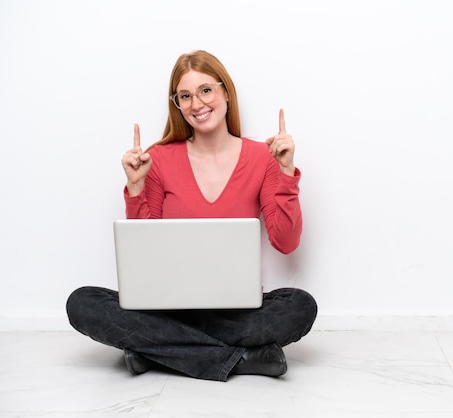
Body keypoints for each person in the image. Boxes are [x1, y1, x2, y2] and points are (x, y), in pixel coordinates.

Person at [66, 50, 317, 382]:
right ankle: (244, 358)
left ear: (225, 91)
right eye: (185, 96)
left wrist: (285, 172)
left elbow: (285, 242)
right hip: (168, 306)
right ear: (178, 105)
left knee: (300, 305)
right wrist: (137, 187)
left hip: (234, 309)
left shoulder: (262, 157)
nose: (197, 104)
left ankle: (154, 352)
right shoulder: (157, 159)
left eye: (205, 90)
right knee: (82, 303)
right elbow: (145, 255)